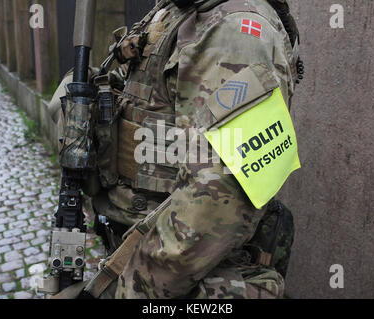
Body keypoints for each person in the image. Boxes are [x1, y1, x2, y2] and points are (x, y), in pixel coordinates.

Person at [51, 0, 303, 299]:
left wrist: (123, 292)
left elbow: (217, 203)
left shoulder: (236, 29)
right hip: (139, 249)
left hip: (180, 278)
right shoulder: (175, 11)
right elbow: (151, 95)